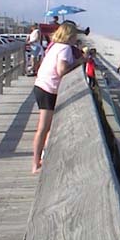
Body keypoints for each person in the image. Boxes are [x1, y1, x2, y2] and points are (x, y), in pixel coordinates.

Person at [32, 22, 85, 173]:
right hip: (48, 89)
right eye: (75, 35)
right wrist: (79, 62)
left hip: (41, 86)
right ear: (70, 36)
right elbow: (62, 70)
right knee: (44, 128)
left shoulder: (55, 46)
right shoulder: (65, 48)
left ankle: (42, 159)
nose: (76, 38)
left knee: (47, 127)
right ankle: (36, 164)